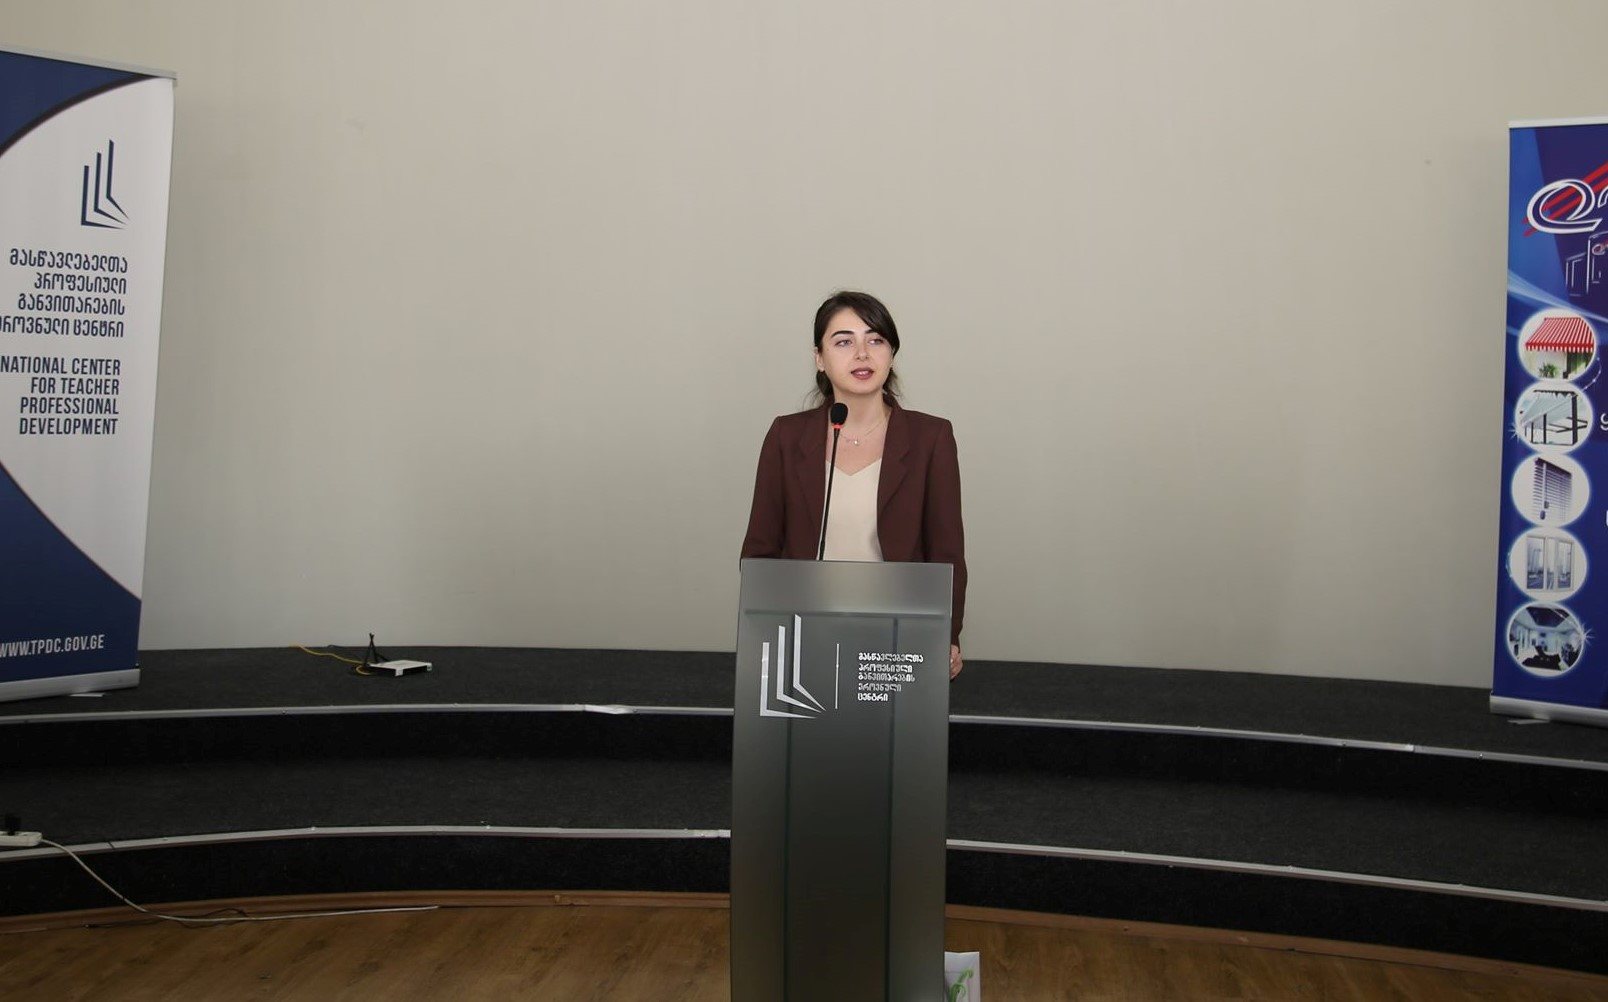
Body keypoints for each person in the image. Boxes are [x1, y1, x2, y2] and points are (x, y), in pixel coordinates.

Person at [740, 290, 967, 679]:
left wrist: (944, 636)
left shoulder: (931, 438)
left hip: (898, 639)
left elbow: (946, 555)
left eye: (875, 340)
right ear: (819, 358)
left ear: (891, 354)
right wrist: (766, 636)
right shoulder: (786, 437)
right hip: (804, 637)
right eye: (844, 342)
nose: (862, 354)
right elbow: (760, 553)